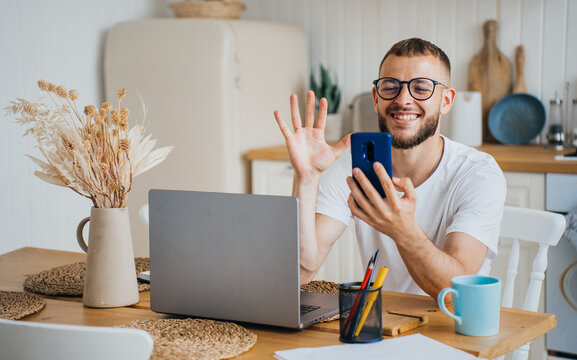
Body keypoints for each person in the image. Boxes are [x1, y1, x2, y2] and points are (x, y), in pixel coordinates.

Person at [273, 38, 507, 299]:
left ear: (446, 101)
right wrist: (306, 179)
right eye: (390, 87)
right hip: (382, 325)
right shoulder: (353, 165)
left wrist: (402, 230)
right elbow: (301, 272)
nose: (402, 99)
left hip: (453, 330)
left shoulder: (477, 174)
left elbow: (454, 292)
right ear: (376, 98)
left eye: (421, 88)